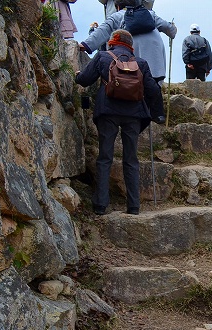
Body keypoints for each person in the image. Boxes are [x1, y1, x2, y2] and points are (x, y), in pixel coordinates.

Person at [74, 29, 162, 215]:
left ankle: (100, 205)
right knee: (131, 160)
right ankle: (133, 206)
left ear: (112, 42)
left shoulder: (103, 57)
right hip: (134, 114)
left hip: (108, 112)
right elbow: (153, 91)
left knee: (105, 158)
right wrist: (156, 113)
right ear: (131, 46)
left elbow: (85, 80)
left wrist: (77, 74)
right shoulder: (140, 63)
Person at [82, 0, 177, 83]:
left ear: (118, 7)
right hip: (156, 64)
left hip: (132, 67)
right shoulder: (149, 14)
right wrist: (173, 29)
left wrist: (85, 45)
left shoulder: (117, 16)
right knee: (153, 91)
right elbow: (169, 28)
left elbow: (102, 30)